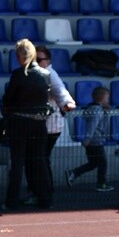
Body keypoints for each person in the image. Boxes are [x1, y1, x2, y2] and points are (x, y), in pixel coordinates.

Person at [1, 38, 52, 211]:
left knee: (17, 163)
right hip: (39, 124)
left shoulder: (18, 74)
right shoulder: (45, 75)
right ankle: (45, 198)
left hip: (19, 123)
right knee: (39, 162)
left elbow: (8, 99)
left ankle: (12, 200)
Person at [35, 45, 75, 191]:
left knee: (41, 160)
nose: (37, 62)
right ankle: (42, 191)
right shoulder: (36, 74)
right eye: (34, 59)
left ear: (48, 60)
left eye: (40, 60)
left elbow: (60, 91)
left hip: (51, 126)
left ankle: (45, 192)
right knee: (40, 160)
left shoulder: (50, 74)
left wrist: (67, 103)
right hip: (44, 125)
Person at [65, 86, 113, 192]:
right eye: (107, 98)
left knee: (93, 163)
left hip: (94, 140)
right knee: (102, 163)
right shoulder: (96, 110)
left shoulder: (96, 109)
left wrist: (106, 113)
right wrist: (88, 139)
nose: (108, 101)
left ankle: (73, 173)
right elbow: (93, 125)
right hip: (95, 142)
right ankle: (101, 184)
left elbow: (101, 125)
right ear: (101, 98)